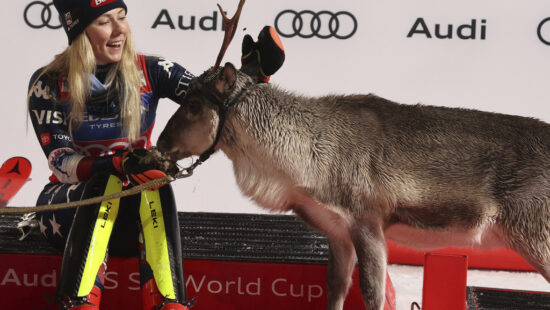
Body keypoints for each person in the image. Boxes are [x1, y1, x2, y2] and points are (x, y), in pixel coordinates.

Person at [27, 0, 285, 309]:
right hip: (68, 210)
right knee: (105, 182)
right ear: (79, 32)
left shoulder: (150, 70)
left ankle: (169, 303)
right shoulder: (48, 83)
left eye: (121, 17)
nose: (119, 29)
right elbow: (61, 162)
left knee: (152, 179)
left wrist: (251, 75)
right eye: (104, 21)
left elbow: (212, 104)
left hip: (132, 216)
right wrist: (117, 162)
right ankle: (77, 302)